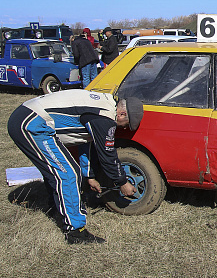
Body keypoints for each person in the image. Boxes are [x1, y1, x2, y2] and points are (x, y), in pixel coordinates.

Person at [7, 90, 144, 244]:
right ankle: (75, 232)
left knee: (61, 170)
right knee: (68, 173)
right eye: (126, 125)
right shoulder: (105, 117)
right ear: (122, 114)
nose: (124, 128)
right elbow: (108, 155)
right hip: (32, 123)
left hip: (27, 116)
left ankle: (56, 208)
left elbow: (84, 141)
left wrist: (89, 176)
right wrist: (122, 182)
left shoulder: (104, 106)